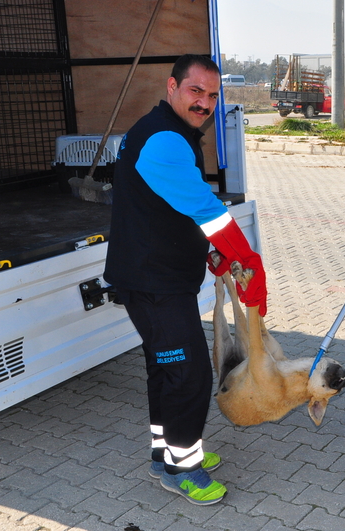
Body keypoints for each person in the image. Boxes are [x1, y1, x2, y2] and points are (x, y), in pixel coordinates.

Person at [104, 54, 267, 505]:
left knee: (166, 368)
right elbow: (206, 210)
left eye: (213, 95)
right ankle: (183, 468)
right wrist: (246, 258)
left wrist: (209, 250)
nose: (205, 103)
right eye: (196, 91)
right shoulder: (163, 140)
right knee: (189, 374)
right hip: (154, 282)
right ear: (172, 86)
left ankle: (166, 452)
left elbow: (175, 208)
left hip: (157, 276)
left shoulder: (170, 132)